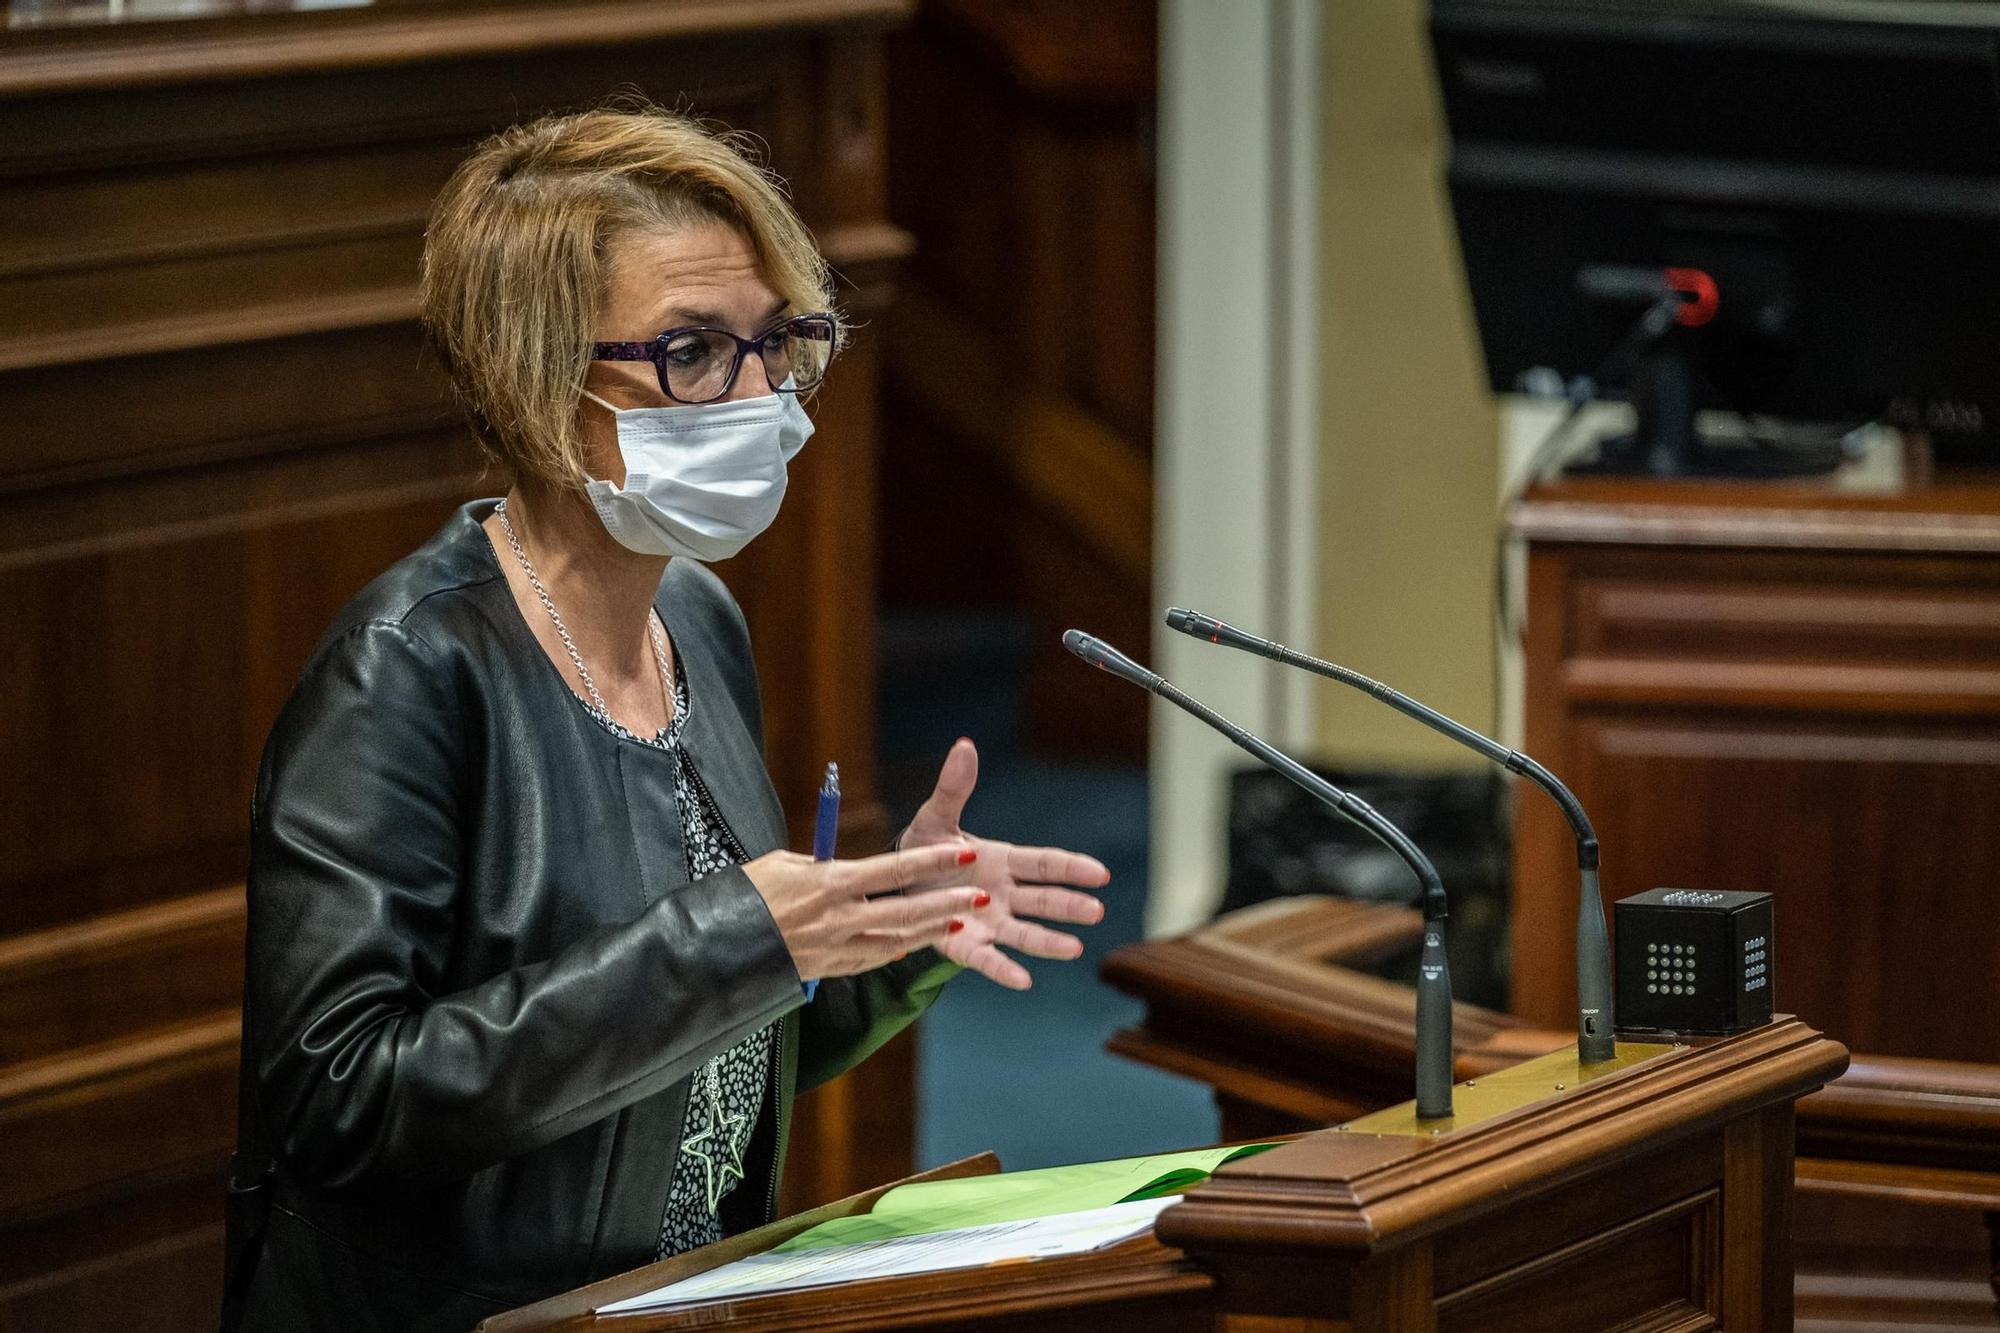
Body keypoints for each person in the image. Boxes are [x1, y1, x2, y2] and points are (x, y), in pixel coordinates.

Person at [224, 105, 1109, 1332]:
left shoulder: (696, 616)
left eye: (774, 342)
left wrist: (886, 932)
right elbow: (344, 1101)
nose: (754, 395)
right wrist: (742, 938)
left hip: (679, 1300)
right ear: (537, 376)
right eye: (692, 350)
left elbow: (704, 1050)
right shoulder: (405, 671)